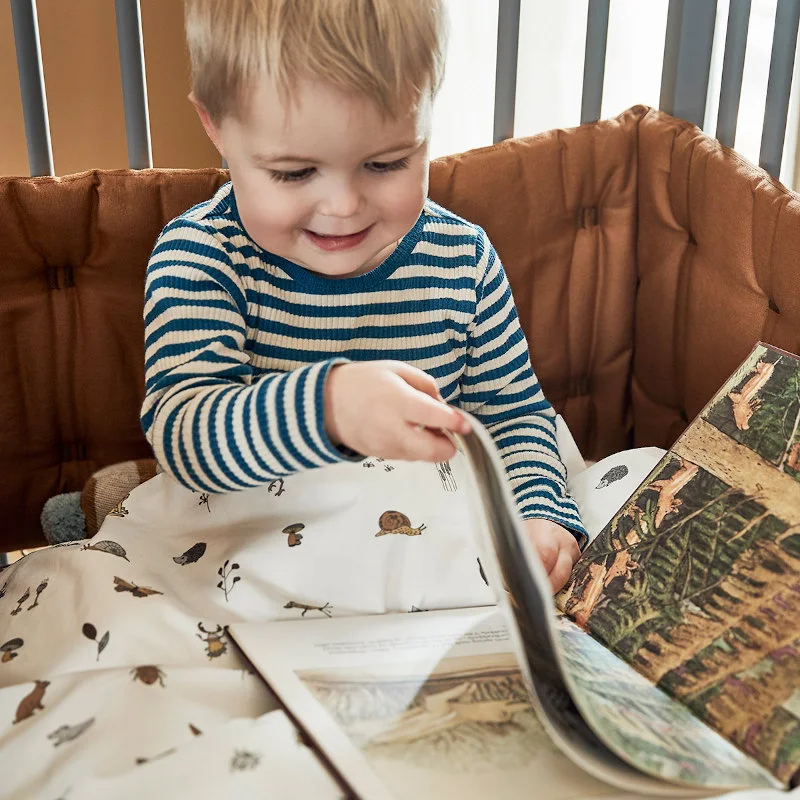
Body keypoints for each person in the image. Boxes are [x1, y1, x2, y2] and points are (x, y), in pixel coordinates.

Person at [141, 0, 587, 592]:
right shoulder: (203, 253)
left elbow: (514, 417)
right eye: (294, 173)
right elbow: (184, 432)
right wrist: (326, 409)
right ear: (216, 128)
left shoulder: (464, 259)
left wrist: (539, 516)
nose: (344, 206)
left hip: (421, 544)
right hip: (258, 550)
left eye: (386, 163)